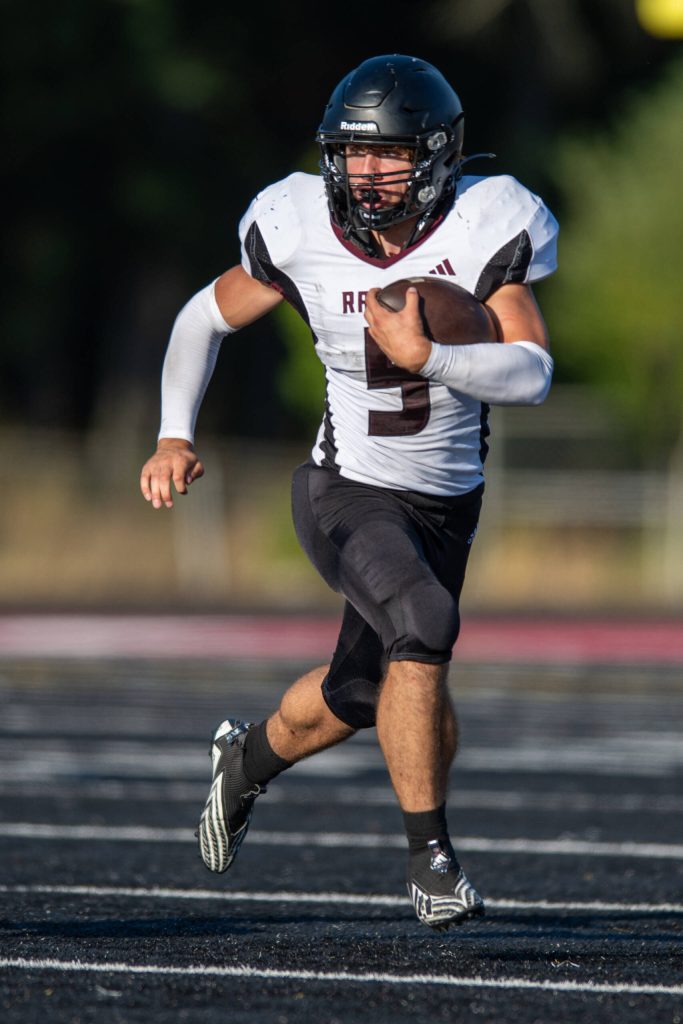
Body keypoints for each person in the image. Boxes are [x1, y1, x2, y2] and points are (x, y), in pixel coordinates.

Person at [140, 54, 558, 931]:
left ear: (440, 155)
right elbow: (201, 317)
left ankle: (245, 759)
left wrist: (432, 357)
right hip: (344, 488)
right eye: (351, 154)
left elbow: (531, 372)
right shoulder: (295, 225)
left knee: (363, 692)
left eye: (388, 154)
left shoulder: (489, 223)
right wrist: (174, 432)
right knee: (425, 627)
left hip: (447, 501)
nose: (365, 173)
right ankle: (431, 864)